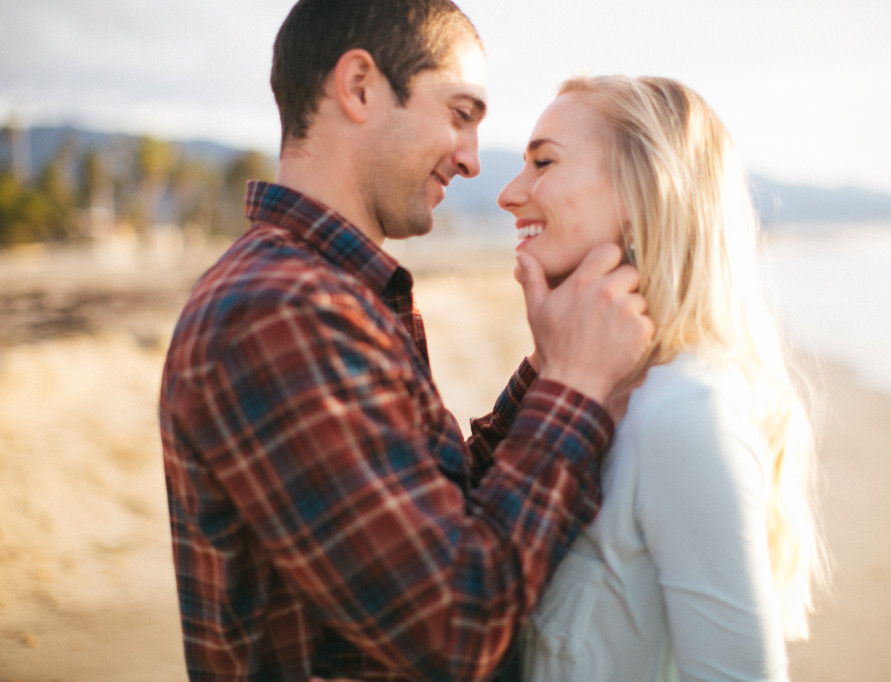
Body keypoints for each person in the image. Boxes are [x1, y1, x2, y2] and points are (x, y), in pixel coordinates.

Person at [158, 1, 653, 680]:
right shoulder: (279, 311)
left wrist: (548, 368)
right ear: (360, 87)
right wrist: (575, 389)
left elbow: (444, 520)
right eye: (460, 114)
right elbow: (454, 624)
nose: (475, 162)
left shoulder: (338, 295)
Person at [497, 75, 829, 681]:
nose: (509, 194)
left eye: (543, 161)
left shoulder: (683, 413)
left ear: (642, 191)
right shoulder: (582, 393)